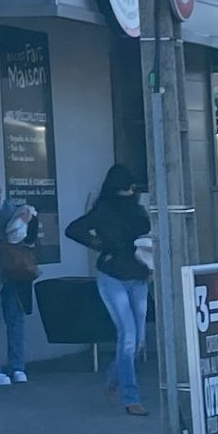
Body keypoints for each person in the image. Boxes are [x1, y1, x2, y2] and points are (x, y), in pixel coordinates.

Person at [65, 163, 151, 415]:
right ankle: (131, 397)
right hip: (114, 275)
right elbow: (74, 229)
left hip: (137, 274)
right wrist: (100, 245)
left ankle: (115, 377)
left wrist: (100, 244)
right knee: (128, 336)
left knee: (137, 340)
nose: (132, 191)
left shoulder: (136, 209)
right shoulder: (105, 209)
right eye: (128, 187)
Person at [0, 172, 38, 386]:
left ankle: (17, 367)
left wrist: (27, 220)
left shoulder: (12, 209)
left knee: (15, 318)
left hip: (13, 270)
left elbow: (29, 238)